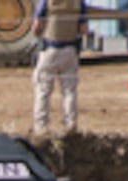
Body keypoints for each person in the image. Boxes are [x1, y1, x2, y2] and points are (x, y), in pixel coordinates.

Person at [31, 0, 88, 135]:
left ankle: (41, 127)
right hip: (70, 50)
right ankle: (71, 125)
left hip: (49, 49)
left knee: (43, 91)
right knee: (69, 91)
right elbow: (84, 29)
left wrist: (37, 35)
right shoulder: (79, 2)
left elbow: (36, 26)